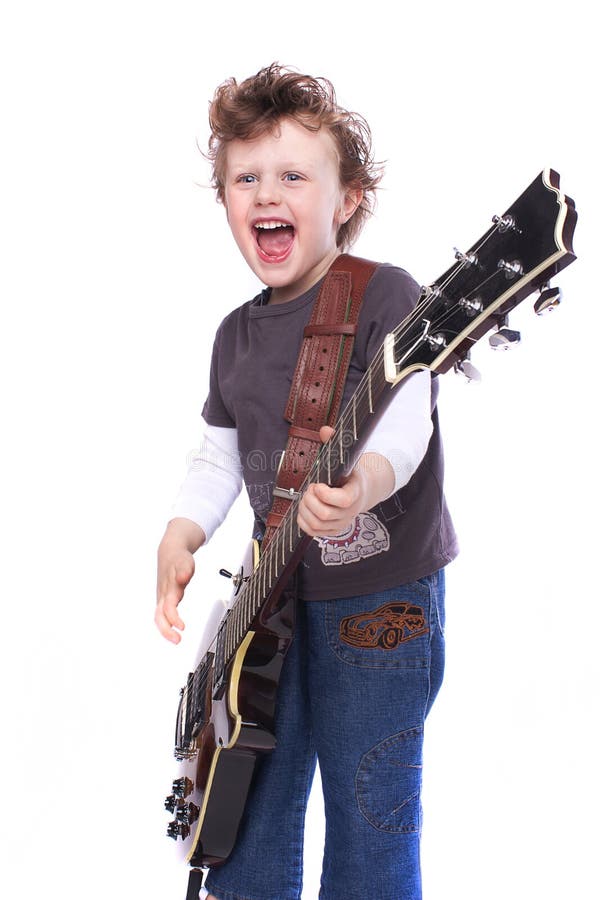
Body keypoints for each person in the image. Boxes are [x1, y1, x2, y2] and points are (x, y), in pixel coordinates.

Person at [155, 63, 458, 900]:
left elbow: (406, 421)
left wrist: (359, 487)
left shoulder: (387, 296)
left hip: (378, 607)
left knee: (371, 815)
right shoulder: (234, 336)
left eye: (293, 175)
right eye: (245, 177)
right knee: (244, 825)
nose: (266, 192)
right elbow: (219, 454)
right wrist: (183, 532)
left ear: (346, 198)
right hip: (270, 603)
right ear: (224, 202)